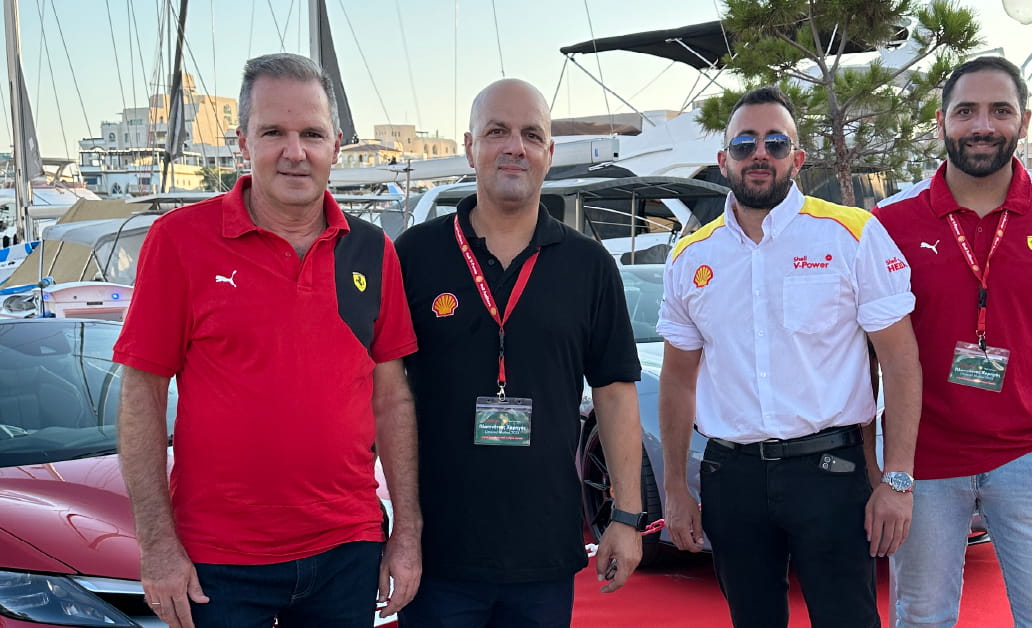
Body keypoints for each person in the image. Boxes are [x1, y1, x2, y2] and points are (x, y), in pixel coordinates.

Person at [115, 53, 422, 628]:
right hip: (218, 563)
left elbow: (392, 400)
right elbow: (141, 395)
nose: (295, 152)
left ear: (336, 145)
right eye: (274, 132)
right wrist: (156, 545)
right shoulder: (180, 241)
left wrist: (407, 533)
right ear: (243, 143)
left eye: (312, 134)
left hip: (348, 550)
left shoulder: (372, 251)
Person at [872, 56, 1032, 628]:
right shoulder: (891, 220)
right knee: (922, 619)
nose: (982, 125)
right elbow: (865, 349)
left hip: (1031, 457)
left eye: (1000, 111)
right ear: (942, 122)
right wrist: (882, 464)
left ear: (1024, 121)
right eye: (966, 111)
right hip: (925, 462)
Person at [656, 85, 923, 628]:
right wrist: (675, 487)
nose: (760, 154)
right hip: (731, 477)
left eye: (775, 143)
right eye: (745, 143)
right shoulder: (690, 256)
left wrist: (897, 479)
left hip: (831, 473)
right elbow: (678, 379)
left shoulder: (852, 234)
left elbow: (900, 363)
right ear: (723, 160)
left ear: (797, 159)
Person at [392, 78, 645, 627]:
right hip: (437, 554)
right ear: (469, 147)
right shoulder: (414, 255)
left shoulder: (589, 266)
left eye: (531, 135)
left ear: (549, 153)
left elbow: (614, 392)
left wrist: (626, 515)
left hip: (543, 552)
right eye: (496, 132)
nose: (515, 147)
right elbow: (386, 394)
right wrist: (396, 527)